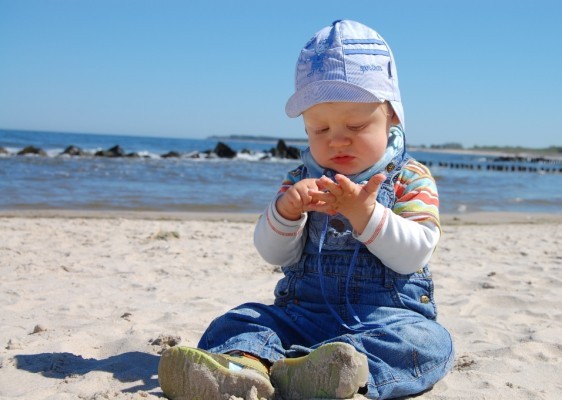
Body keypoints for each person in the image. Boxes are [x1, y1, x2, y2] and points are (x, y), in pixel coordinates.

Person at [158, 19, 454, 399]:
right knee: (238, 320)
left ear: (392, 115)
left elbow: (415, 254)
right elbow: (272, 253)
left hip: (385, 319)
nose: (338, 139)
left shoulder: (409, 178)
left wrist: (365, 215)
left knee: (428, 343)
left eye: (356, 125)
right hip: (303, 315)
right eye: (319, 130)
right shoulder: (301, 179)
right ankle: (247, 367)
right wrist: (286, 212)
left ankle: (342, 373)